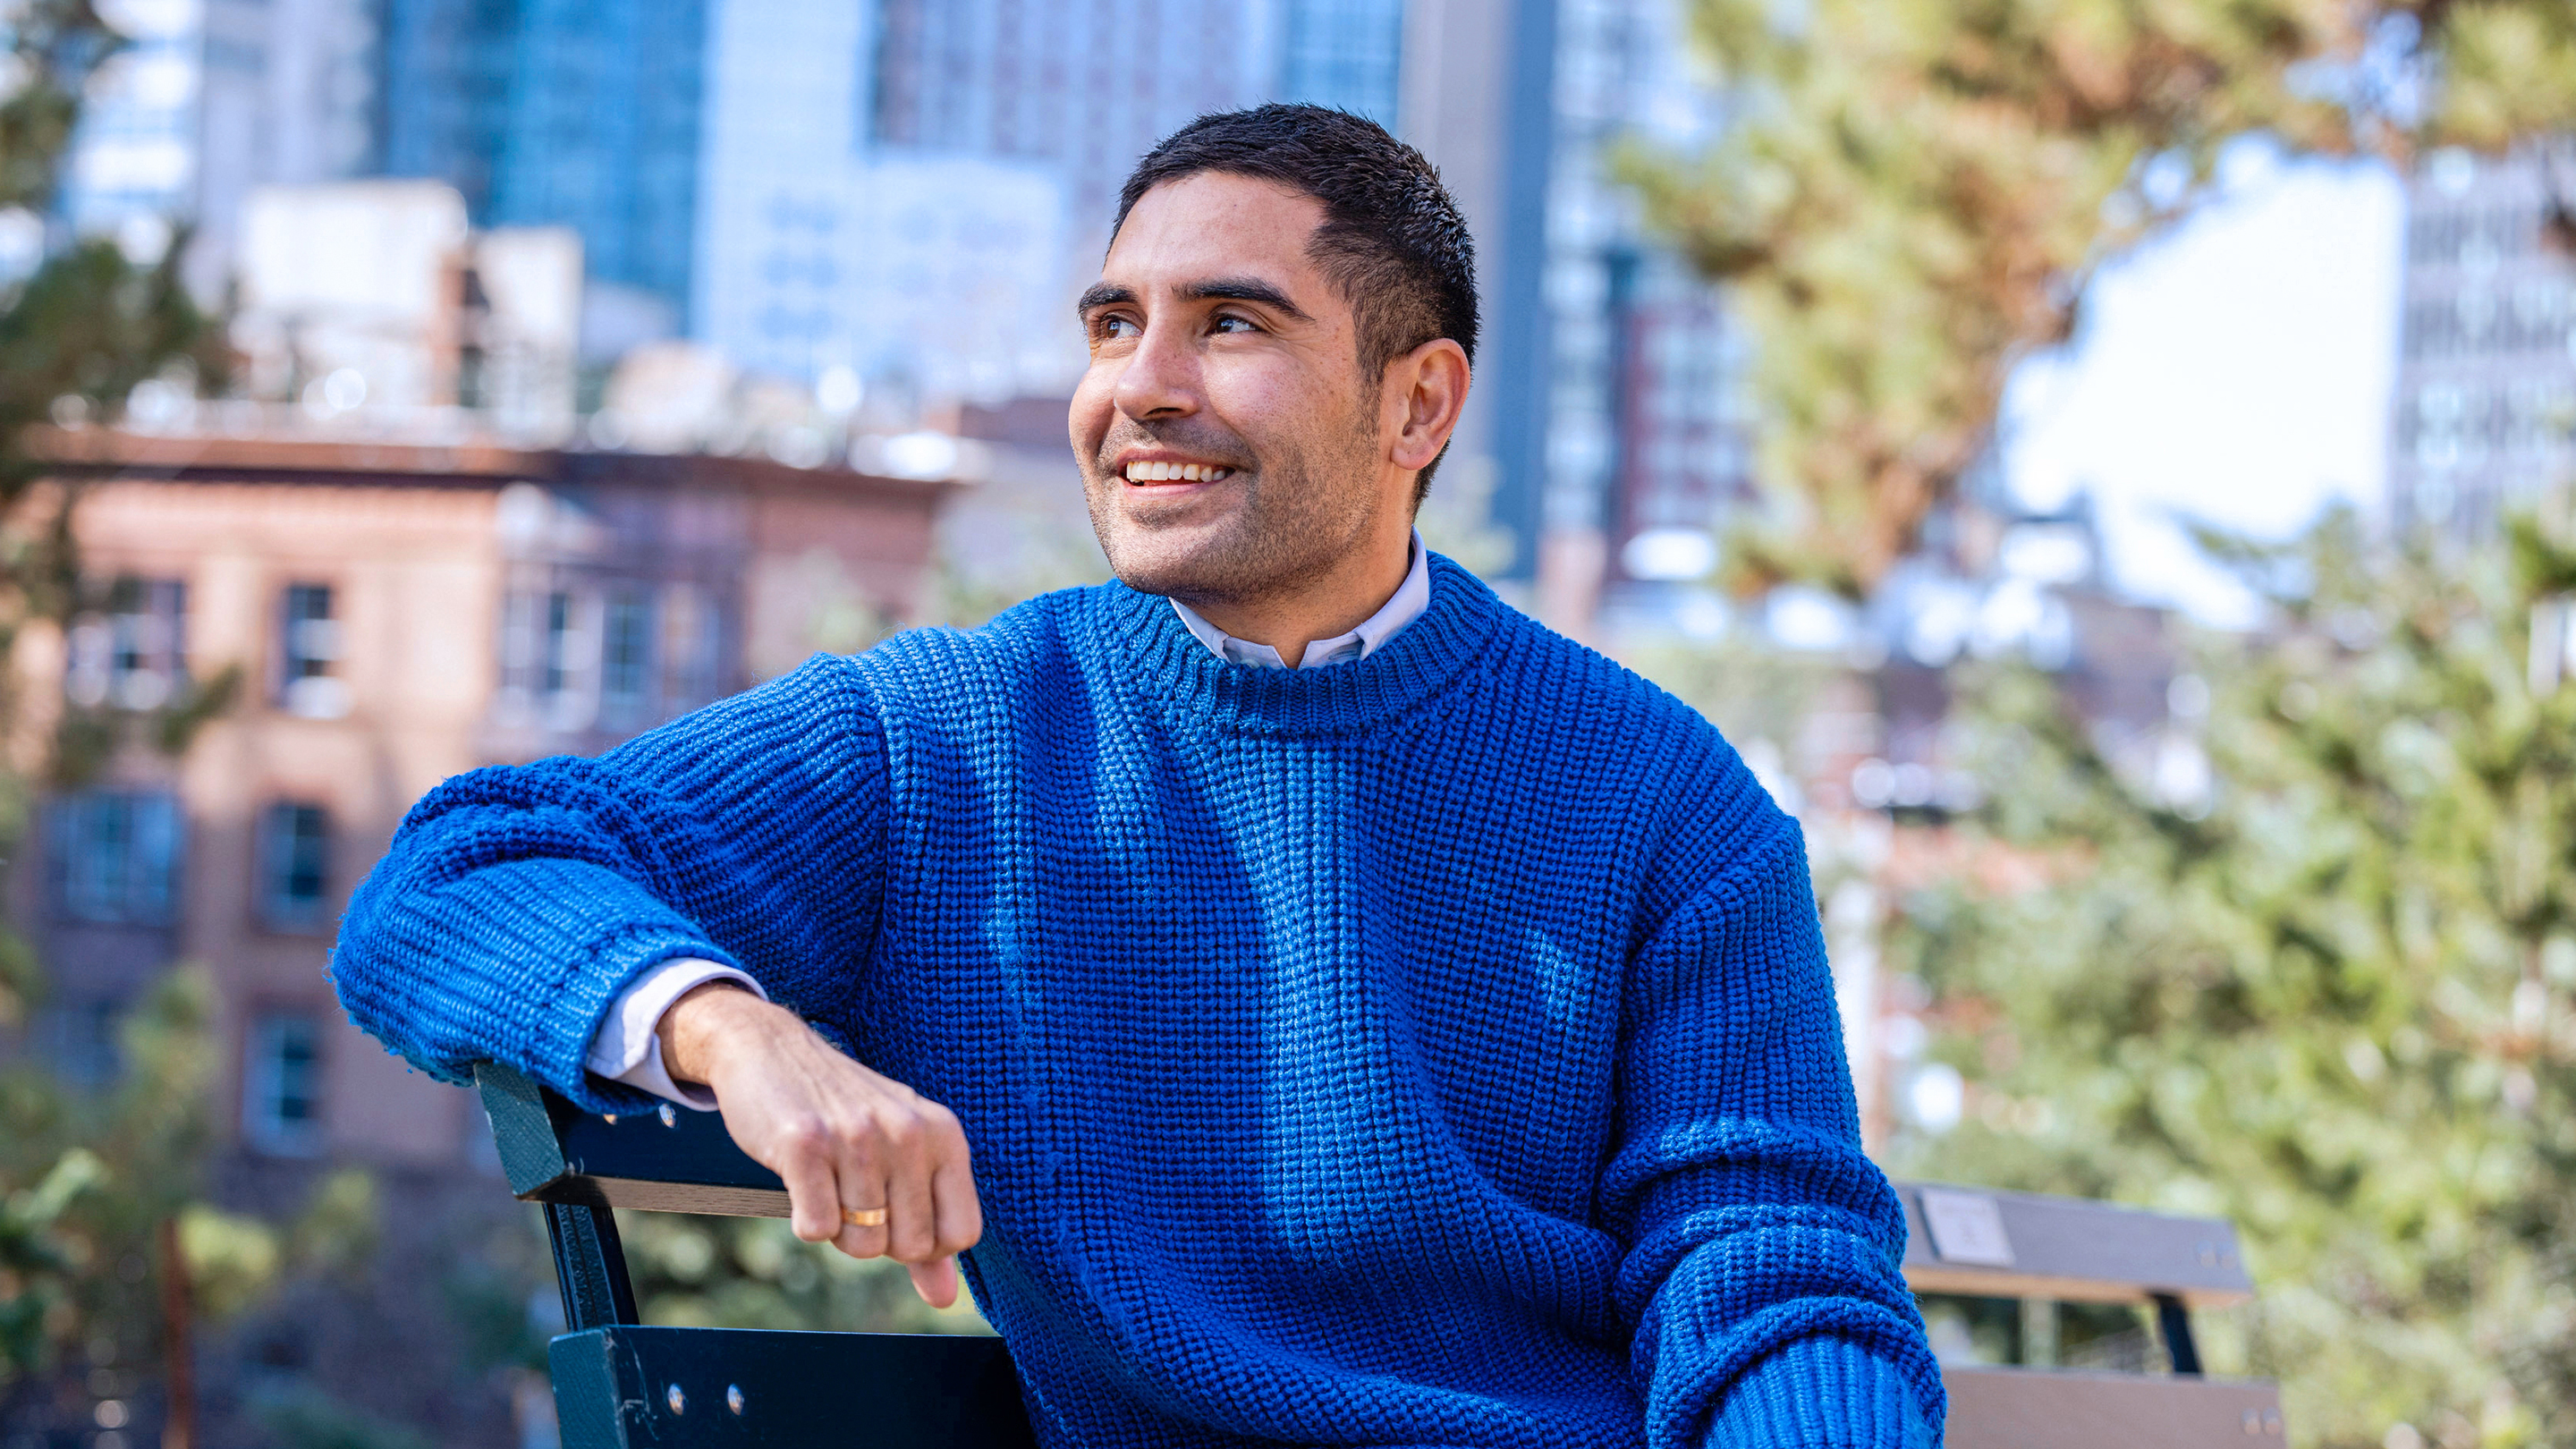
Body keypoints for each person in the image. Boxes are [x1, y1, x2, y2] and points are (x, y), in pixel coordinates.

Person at [334, 104, 1943, 1448]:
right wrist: (730, 1028)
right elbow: (445, 881)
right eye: (1116, 324)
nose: (1138, 385)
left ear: (1418, 402)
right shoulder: (949, 738)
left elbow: (1771, 1264)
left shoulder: (1663, 798)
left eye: (1229, 323)